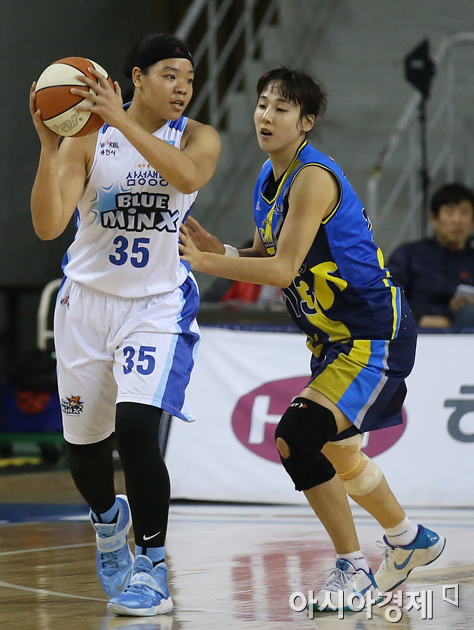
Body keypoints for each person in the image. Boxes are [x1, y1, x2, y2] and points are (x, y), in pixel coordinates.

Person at [180, 67, 445, 610]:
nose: (266, 116)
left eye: (281, 108)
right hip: (332, 341)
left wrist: (206, 264)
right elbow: (269, 254)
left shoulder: (313, 178)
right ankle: (407, 538)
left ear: (305, 122)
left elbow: (282, 272)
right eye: (262, 104)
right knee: (340, 455)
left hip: (372, 333)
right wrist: (222, 250)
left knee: (296, 437)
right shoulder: (269, 174)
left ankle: (353, 569)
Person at [29, 34, 220, 617]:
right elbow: (47, 226)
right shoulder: (87, 139)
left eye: (189, 78)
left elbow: (187, 178)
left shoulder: (198, 137)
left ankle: (152, 567)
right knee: (85, 451)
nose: (183, 87)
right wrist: (49, 147)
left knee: (137, 428)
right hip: (86, 305)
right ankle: (109, 520)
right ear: (137, 78)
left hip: (156, 306)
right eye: (170, 75)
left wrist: (119, 120)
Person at [388, 183, 474, 331]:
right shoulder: (408, 255)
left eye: (464, 213)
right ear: (434, 219)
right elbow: (386, 300)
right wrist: (419, 319)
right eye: (449, 213)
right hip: (419, 331)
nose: (457, 220)